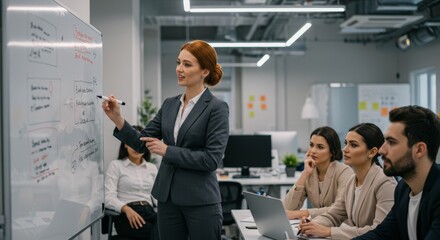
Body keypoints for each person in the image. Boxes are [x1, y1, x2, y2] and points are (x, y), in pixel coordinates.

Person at [101, 40, 229, 240]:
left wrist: (168, 151)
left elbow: (211, 159)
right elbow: (141, 144)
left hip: (200, 201)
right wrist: (118, 119)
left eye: (187, 64)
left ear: (204, 71)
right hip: (167, 200)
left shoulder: (216, 108)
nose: (179, 69)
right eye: (179, 62)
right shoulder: (170, 105)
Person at [353, 106, 440, 240]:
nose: (381, 150)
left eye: (392, 142)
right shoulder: (403, 189)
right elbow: (381, 234)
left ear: (419, 150)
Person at [299, 123, 397, 239]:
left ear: (372, 152)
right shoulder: (352, 181)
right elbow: (334, 214)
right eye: (346, 144)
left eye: (353, 145)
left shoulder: (385, 182)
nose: (345, 149)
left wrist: (329, 231)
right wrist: (313, 224)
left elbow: (379, 231)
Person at [283, 126, 353, 219]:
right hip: (319, 226)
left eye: (320, 147)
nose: (313, 151)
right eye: (311, 145)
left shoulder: (344, 172)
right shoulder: (311, 173)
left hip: (341, 227)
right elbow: (288, 208)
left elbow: (339, 209)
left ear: (332, 151)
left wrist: (301, 213)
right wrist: (305, 173)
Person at [105, 125, 159, 240]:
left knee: (171, 227)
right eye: (132, 142)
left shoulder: (152, 168)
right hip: (127, 214)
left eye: (139, 142)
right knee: (159, 234)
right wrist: (126, 209)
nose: (136, 147)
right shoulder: (116, 166)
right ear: (125, 144)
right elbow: (108, 197)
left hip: (149, 212)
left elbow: (158, 199)